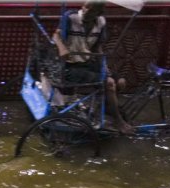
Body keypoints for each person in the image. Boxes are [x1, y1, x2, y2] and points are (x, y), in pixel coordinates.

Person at [51, 0, 134, 135]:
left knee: (120, 82)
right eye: (85, 7)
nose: (85, 10)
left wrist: (104, 67)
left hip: (87, 62)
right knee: (109, 83)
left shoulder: (101, 22)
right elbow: (56, 35)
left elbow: (98, 47)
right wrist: (62, 49)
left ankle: (104, 107)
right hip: (70, 66)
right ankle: (118, 120)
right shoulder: (71, 17)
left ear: (98, 13)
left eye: (91, 9)